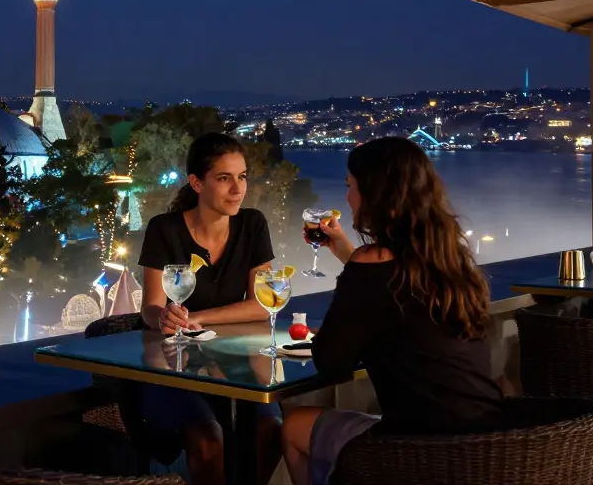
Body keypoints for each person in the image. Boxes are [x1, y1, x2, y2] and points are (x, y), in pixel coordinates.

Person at [281, 137, 504, 485]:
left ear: (375, 195)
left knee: (295, 426)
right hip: (485, 445)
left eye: (350, 186)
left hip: (418, 450)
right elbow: (397, 292)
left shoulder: (372, 263)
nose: (347, 198)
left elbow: (331, 361)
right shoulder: (449, 259)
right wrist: (349, 255)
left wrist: (352, 276)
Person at [137, 133, 279, 485]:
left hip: (236, 361)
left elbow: (262, 305)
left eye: (242, 176)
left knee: (269, 430)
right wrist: (163, 318)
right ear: (197, 183)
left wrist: (197, 317)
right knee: (207, 440)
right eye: (224, 178)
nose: (237, 189)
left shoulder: (252, 225)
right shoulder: (164, 229)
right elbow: (150, 308)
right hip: (173, 365)